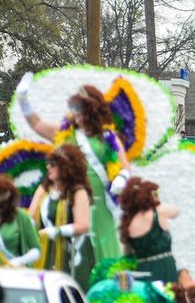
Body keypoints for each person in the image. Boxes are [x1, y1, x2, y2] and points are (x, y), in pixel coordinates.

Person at [17, 77, 129, 259]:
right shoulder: (65, 135)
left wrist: (121, 178)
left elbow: (125, 166)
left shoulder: (108, 137)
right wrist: (24, 101)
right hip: (70, 200)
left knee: (104, 252)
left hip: (101, 203)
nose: (77, 115)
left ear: (93, 110)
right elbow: (37, 124)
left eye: (81, 109)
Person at [29, 144, 94, 287]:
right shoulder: (44, 189)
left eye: (53, 164)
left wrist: (56, 231)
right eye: (48, 163)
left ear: (66, 166)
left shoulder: (78, 192)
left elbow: (83, 225)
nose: (48, 167)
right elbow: (31, 216)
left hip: (72, 254)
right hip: (46, 250)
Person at [119, 177, 179, 284]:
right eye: (155, 194)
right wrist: (157, 203)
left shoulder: (128, 223)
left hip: (141, 270)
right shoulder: (158, 212)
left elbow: (127, 253)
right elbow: (176, 211)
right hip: (164, 267)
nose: (157, 196)